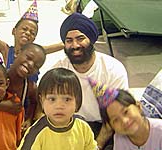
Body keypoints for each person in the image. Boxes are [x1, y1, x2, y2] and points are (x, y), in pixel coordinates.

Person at [52, 12, 129, 150]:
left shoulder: (113, 69)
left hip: (105, 127)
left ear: (91, 40)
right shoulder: (59, 70)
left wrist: (96, 146)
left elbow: (116, 115)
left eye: (80, 38)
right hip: (70, 128)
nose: (75, 45)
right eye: (69, 40)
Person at [0, 0, 64, 82]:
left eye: (32, 33)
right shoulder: (6, 50)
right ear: (14, 31)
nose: (28, 33)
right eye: (24, 29)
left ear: (34, 39)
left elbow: (63, 45)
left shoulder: (37, 52)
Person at [18, 68, 98, 150]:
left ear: (77, 101)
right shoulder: (36, 132)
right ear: (41, 101)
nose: (59, 106)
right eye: (52, 99)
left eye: (67, 99)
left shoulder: (83, 127)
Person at [89, 81, 162, 150]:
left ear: (138, 106)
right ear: (111, 126)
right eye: (116, 120)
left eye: (126, 112)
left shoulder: (159, 132)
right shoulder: (119, 139)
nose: (124, 121)